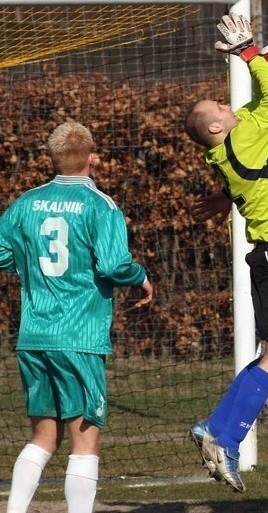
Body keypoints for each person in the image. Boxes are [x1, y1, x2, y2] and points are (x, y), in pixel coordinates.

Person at [185, 13, 268, 493]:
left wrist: (258, 60)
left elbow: (267, 104)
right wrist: (247, 52)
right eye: (220, 102)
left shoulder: (239, 143)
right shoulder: (241, 139)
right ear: (217, 125)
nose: (227, 101)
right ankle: (226, 438)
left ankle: (217, 428)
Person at [0, 122, 153, 513]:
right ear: (92, 156)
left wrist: (28, 263)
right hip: (79, 338)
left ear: (51, 158)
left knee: (42, 437)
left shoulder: (24, 204)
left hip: (34, 336)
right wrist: (140, 277)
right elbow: (116, 265)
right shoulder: (101, 205)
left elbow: (2, 254)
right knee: (85, 441)